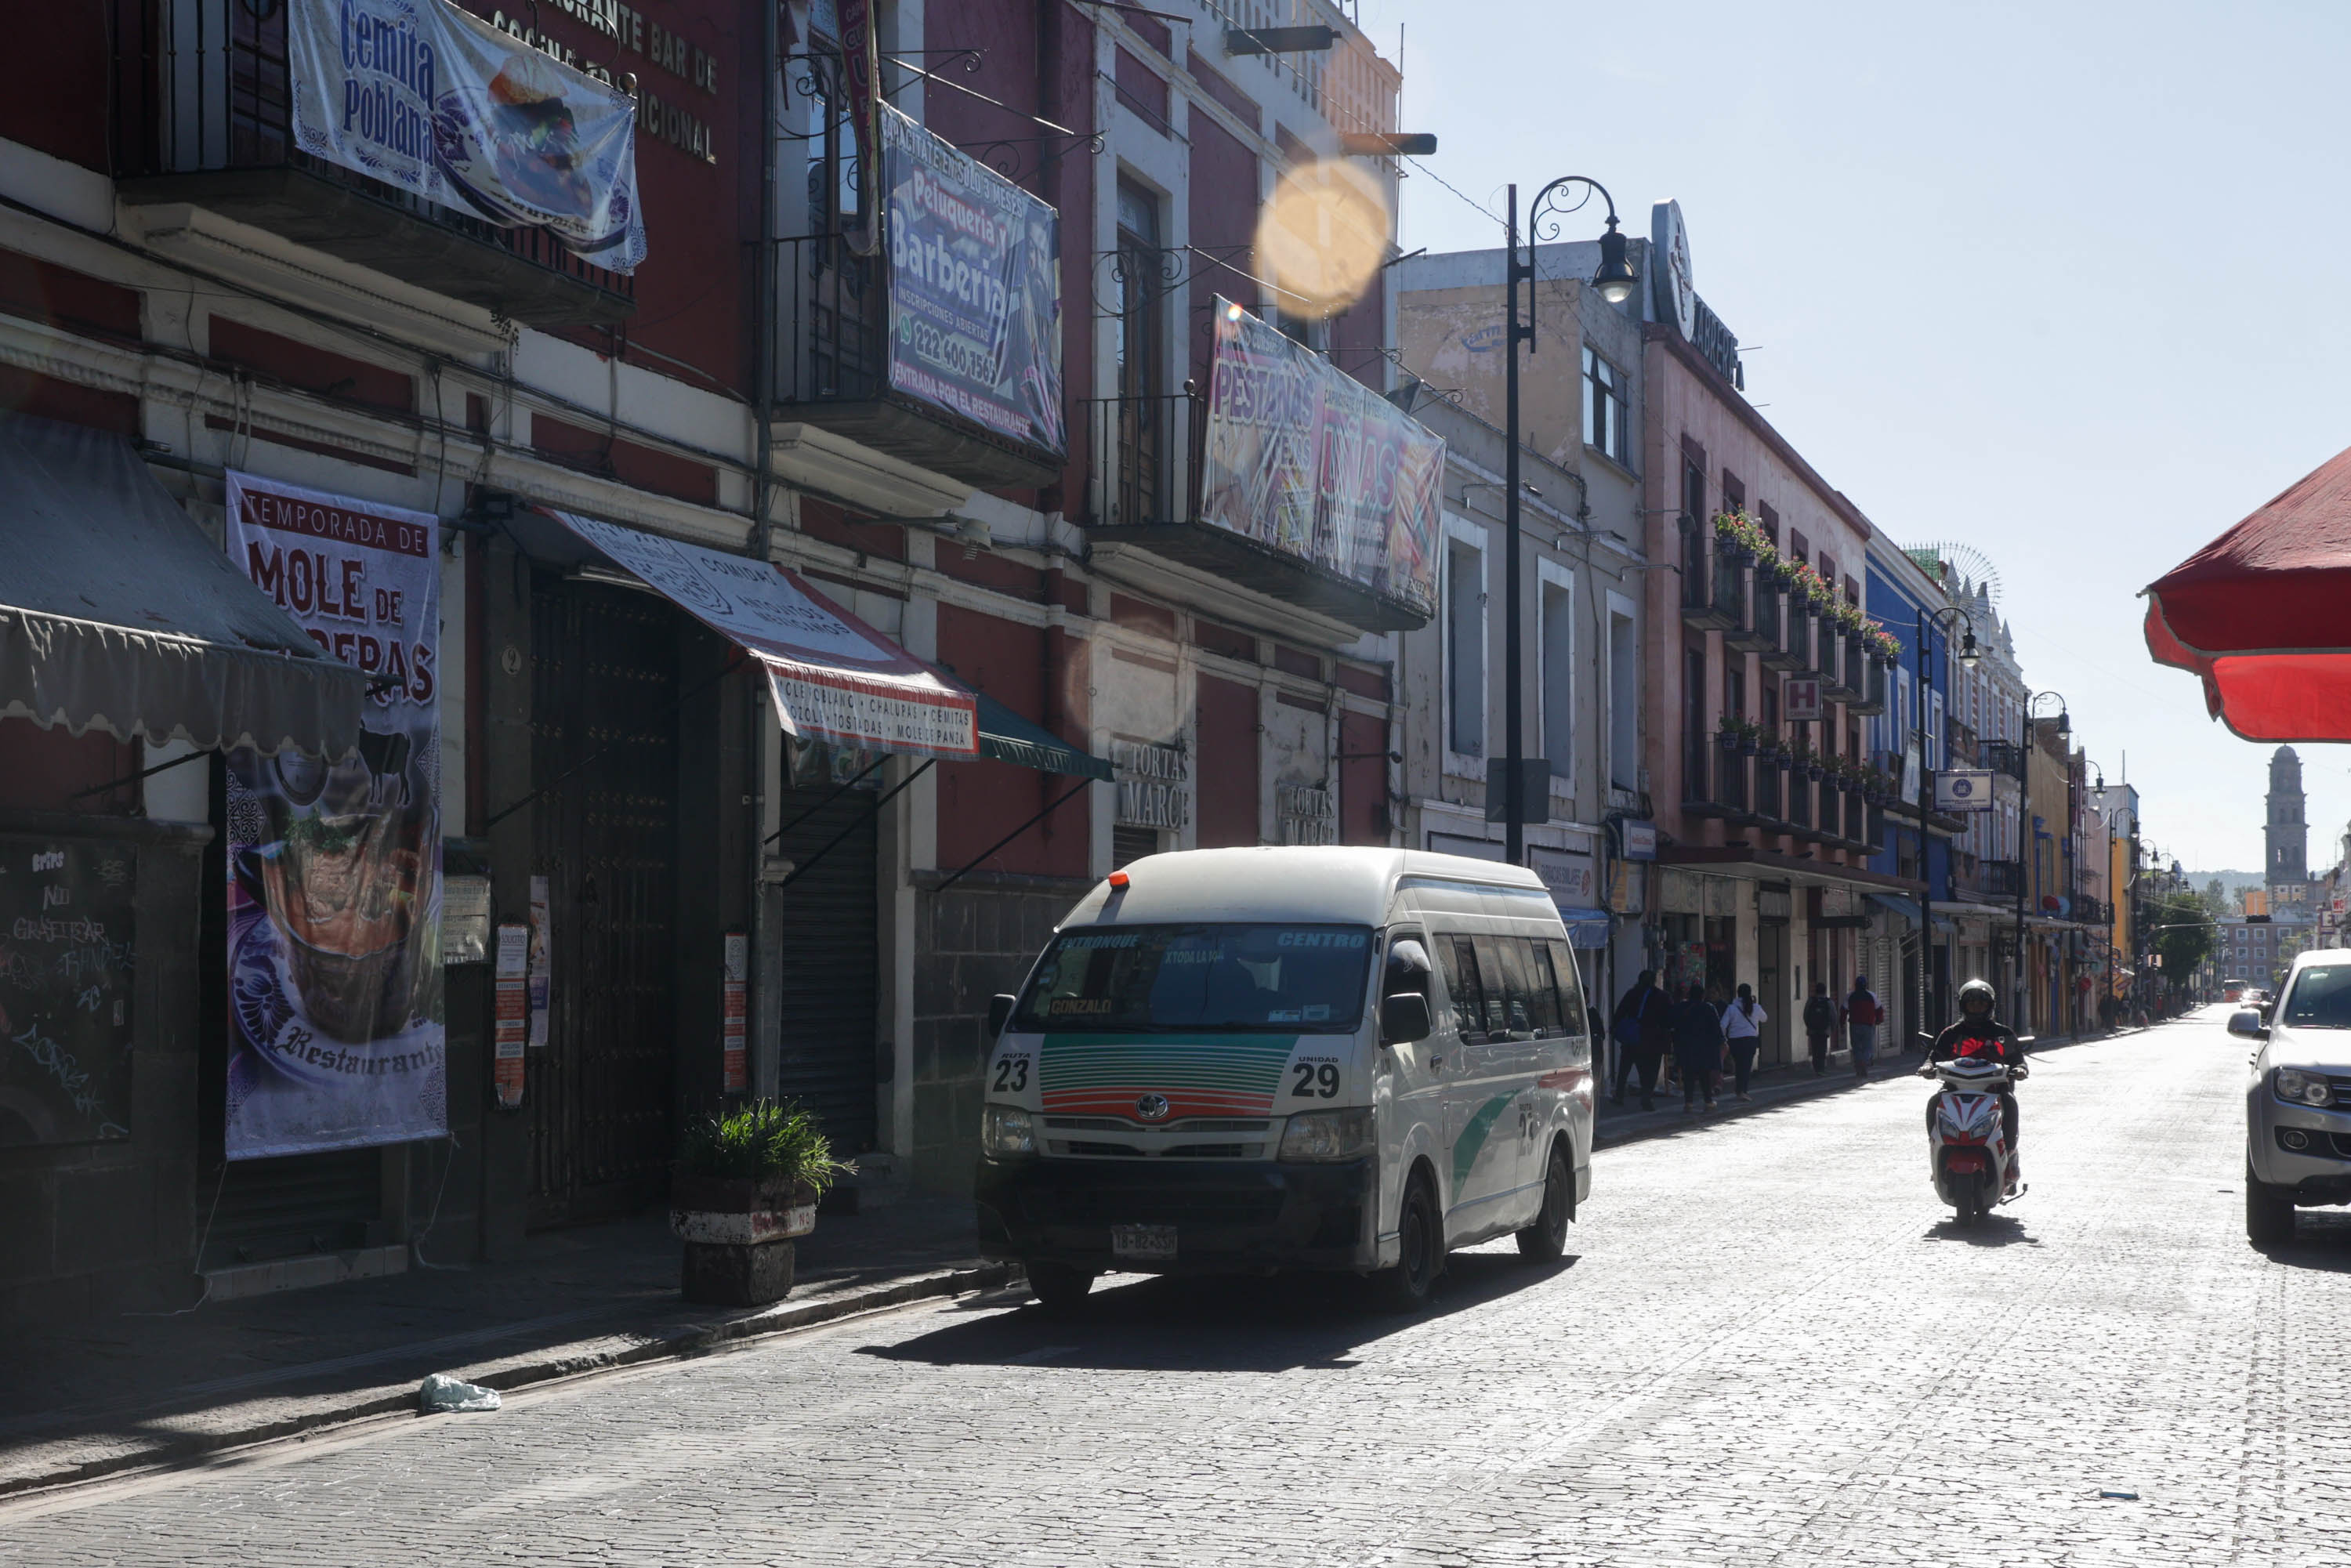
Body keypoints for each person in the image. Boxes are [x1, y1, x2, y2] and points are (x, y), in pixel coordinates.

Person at [1922, 977, 2027, 1157]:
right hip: (1955, 1086)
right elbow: (1935, 1056)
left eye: (1981, 1004)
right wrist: (1928, 1066)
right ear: (1963, 1006)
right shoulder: (1951, 1033)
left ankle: (2009, 1149)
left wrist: (2020, 1069)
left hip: (1994, 1088)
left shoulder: (2003, 1033)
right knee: (1934, 1102)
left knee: (2009, 1101)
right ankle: (1936, 1145)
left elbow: (2017, 1059)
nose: (1976, 1008)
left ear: (1990, 1006)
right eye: (1972, 1004)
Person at [1610, 970, 1671, 1110]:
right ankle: (1647, 1097)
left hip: (1633, 1037)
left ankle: (1619, 1095)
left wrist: (1615, 1029)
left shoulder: (1632, 994)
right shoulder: (1663, 996)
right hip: (1653, 1039)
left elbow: (1620, 1012)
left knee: (1625, 1067)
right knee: (1650, 1070)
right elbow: (1669, 1019)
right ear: (1655, 980)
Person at [1670, 981, 1725, 1114]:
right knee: (1704, 1075)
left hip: (1686, 1047)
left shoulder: (1681, 1007)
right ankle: (1708, 1102)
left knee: (1688, 1075)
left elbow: (1673, 1024)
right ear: (1703, 995)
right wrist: (1721, 1042)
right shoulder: (1709, 1008)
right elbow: (1716, 1028)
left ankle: (1688, 1103)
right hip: (1704, 1048)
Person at [1720, 983, 1766, 1103]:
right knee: (1746, 1067)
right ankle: (1742, 1091)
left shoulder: (1731, 1008)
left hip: (1735, 1041)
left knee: (1739, 1065)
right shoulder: (1756, 1007)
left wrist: (1724, 1037)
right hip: (1750, 1041)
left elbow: (1722, 1025)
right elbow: (1765, 1018)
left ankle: (1739, 1089)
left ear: (1738, 993)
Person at [1845, 973, 1882, 1080]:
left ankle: (1859, 1064)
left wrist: (1842, 1023)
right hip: (1868, 1026)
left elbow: (1843, 1010)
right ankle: (1864, 1063)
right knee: (1867, 1047)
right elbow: (1879, 1009)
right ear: (1866, 985)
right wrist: (1879, 1020)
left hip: (1854, 1026)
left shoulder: (1850, 996)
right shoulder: (1871, 996)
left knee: (1856, 1047)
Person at [1802, 981, 1838, 1076]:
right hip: (1824, 1030)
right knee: (1822, 1049)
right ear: (1825, 991)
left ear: (1815, 991)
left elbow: (1805, 1015)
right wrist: (1832, 1029)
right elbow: (1833, 1017)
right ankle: (1820, 1069)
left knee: (1814, 1049)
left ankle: (1816, 1067)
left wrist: (1809, 1026)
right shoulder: (1829, 1002)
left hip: (1812, 1030)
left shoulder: (1811, 1001)